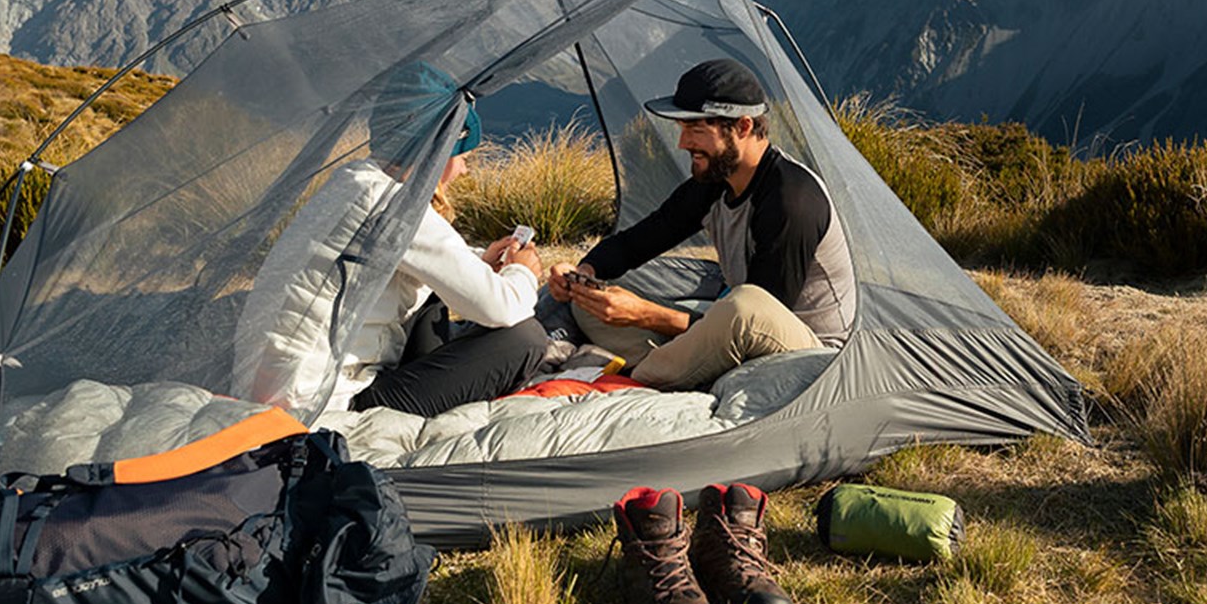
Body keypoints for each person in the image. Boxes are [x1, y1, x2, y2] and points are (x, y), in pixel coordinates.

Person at [234, 62, 548, 418]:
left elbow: (408, 258)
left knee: (432, 300)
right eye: (461, 156)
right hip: (323, 405)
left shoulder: (356, 182)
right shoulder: (394, 206)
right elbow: (503, 308)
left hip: (281, 385)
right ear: (436, 150)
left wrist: (479, 261)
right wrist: (522, 272)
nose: (463, 170)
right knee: (525, 340)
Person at [548, 58, 856, 390]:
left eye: (695, 129)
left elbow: (758, 318)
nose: (683, 143)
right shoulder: (715, 181)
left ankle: (639, 379)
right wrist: (584, 273)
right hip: (732, 330)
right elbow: (638, 241)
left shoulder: (791, 200)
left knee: (742, 306)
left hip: (810, 354)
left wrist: (646, 315)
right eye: (682, 129)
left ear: (743, 127)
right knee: (590, 304)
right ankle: (673, 368)